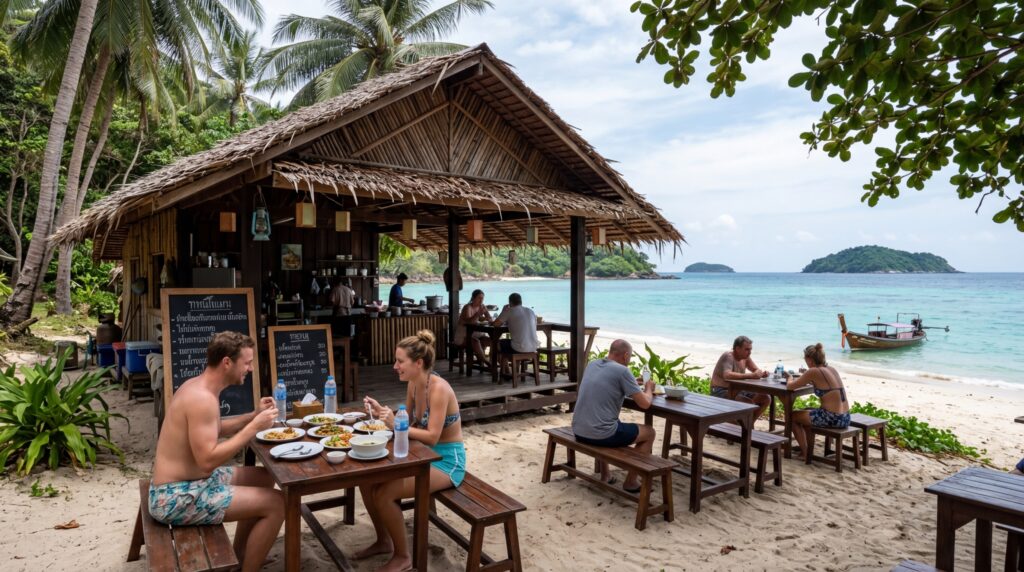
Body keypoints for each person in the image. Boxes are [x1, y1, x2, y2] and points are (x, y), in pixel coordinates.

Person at [149, 332, 283, 572]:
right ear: (227, 363)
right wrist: (254, 427)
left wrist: (251, 416)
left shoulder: (198, 386)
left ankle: (241, 555)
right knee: (277, 504)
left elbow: (213, 429)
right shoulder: (202, 399)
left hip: (188, 482)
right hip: (175, 497)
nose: (250, 369)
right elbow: (207, 461)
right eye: (247, 363)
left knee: (264, 478)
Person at [357, 330, 466, 572]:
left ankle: (403, 556)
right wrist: (382, 412)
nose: (395, 366)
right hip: (422, 455)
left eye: (400, 361)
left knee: (384, 494)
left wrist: (394, 422)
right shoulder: (414, 385)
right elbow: (406, 422)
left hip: (447, 461)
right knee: (366, 481)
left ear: (418, 363)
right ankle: (383, 541)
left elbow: (432, 435)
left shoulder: (439, 388)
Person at [572, 339, 656, 491]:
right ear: (625, 356)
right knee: (649, 432)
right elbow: (645, 403)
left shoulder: (592, 365)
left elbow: (609, 383)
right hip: (600, 434)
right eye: (629, 358)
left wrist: (632, 383)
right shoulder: (623, 371)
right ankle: (631, 481)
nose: (628, 361)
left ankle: (606, 475)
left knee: (606, 419)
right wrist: (648, 388)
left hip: (579, 430)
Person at [787, 343, 851, 461]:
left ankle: (806, 454)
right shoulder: (832, 369)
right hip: (846, 417)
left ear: (810, 360)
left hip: (833, 418)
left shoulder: (813, 371)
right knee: (806, 411)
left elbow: (790, 387)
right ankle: (806, 448)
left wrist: (789, 378)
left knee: (792, 416)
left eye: (805, 359)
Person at [710, 335, 772, 419]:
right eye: (747, 349)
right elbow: (727, 375)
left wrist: (762, 373)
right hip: (721, 390)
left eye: (750, 349)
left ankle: (749, 425)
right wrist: (751, 375)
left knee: (766, 398)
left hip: (738, 390)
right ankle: (745, 425)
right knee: (747, 403)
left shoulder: (746, 358)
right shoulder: (728, 356)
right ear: (737, 348)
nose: (749, 352)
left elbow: (756, 370)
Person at [492, 293, 538, 375]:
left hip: (519, 348)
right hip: (534, 347)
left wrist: (503, 311)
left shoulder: (509, 311)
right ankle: (515, 372)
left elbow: (496, 324)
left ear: (510, 302)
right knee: (517, 341)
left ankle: (506, 372)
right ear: (521, 301)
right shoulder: (530, 311)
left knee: (497, 344)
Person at [454, 289, 492, 365]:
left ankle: (491, 361)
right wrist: (478, 314)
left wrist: (486, 315)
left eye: (482, 298)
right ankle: (486, 362)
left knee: (492, 341)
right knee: (476, 342)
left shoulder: (482, 307)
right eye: (479, 298)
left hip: (476, 334)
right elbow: (470, 322)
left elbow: (490, 319)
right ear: (473, 298)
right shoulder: (467, 307)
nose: (481, 300)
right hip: (463, 336)